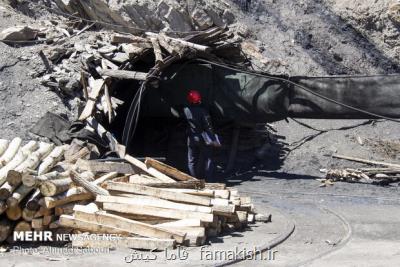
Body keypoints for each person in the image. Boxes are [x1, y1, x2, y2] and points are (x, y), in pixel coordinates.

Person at [183, 90, 221, 182]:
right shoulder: (203, 111)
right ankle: (209, 180)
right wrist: (213, 139)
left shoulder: (185, 110)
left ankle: (194, 180)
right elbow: (208, 127)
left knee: (191, 161)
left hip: (191, 138)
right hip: (203, 139)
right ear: (199, 100)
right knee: (209, 158)